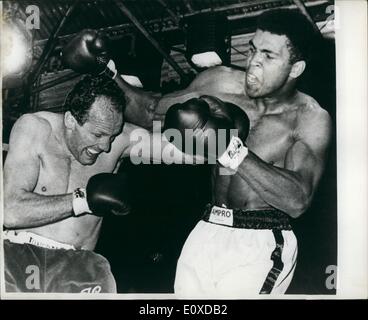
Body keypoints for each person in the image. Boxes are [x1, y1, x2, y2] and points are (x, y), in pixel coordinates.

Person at [113, 9, 333, 296]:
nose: (253, 62)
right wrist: (105, 71)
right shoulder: (221, 82)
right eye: (253, 49)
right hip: (208, 225)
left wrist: (229, 150)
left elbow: (298, 200)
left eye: (268, 56)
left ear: (295, 69)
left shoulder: (310, 119)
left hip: (262, 240)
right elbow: (151, 109)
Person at [2, 74, 190, 293]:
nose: (105, 146)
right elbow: (10, 212)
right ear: (71, 120)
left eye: (112, 135)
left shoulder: (121, 140)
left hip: (78, 267)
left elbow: (182, 151)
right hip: (19, 254)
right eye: (98, 134)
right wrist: (83, 200)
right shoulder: (35, 128)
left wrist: (225, 137)